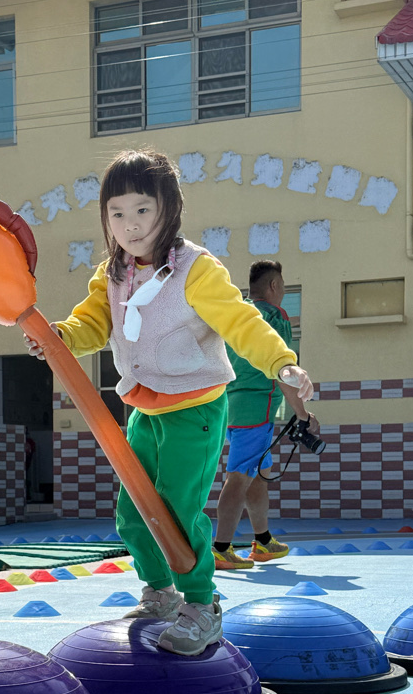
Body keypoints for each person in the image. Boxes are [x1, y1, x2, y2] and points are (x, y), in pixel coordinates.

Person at [24, 150, 313, 656]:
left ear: (169, 210)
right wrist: (61, 336)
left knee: (178, 509)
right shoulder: (113, 274)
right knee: (134, 511)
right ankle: (159, 592)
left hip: (194, 409)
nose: (130, 225)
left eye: (143, 209)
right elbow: (92, 323)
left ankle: (202, 603)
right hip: (144, 410)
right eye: (117, 213)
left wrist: (281, 363)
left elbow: (241, 321)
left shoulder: (195, 270)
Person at [213, 260, 320, 570]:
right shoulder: (274, 317)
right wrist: (302, 414)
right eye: (283, 286)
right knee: (238, 479)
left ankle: (263, 541)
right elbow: (282, 370)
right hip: (256, 411)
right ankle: (221, 548)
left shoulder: (240, 314)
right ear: (274, 286)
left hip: (229, 406)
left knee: (258, 475)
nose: (283, 292)